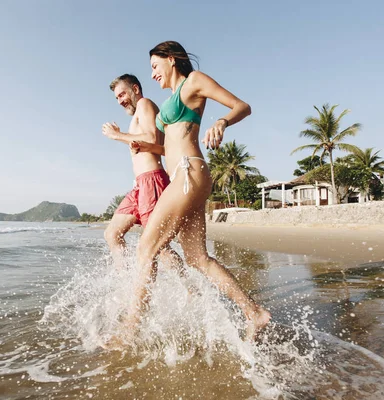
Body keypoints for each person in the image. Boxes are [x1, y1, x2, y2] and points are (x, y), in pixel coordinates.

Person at [108, 42, 271, 348]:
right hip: (185, 175)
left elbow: (241, 106)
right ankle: (254, 313)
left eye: (156, 66)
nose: (153, 73)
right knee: (197, 258)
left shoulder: (193, 81)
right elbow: (167, 146)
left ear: (171, 60)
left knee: (146, 249)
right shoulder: (170, 99)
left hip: (187, 173)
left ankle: (130, 331)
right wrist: (141, 145)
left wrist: (222, 122)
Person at [102, 74, 183, 271]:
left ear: (135, 89)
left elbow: (152, 139)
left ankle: (191, 288)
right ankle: (127, 280)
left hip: (152, 181)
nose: (120, 101)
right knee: (112, 234)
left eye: (122, 94)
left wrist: (117, 135)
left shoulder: (145, 104)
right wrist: (125, 135)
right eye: (117, 98)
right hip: (139, 185)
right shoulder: (137, 115)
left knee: (158, 246)